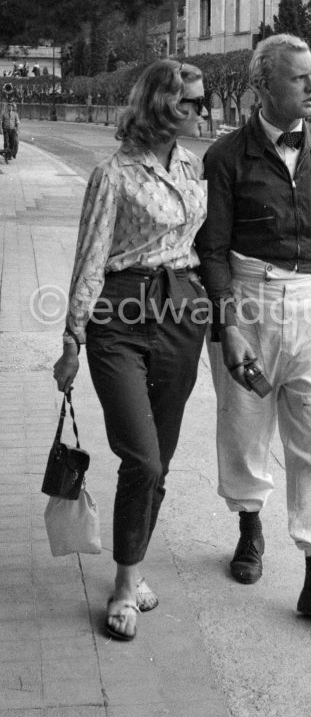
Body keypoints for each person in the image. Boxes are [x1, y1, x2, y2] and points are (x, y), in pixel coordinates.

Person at [195, 34, 311, 622]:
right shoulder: (225, 158)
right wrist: (229, 324)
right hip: (246, 299)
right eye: (299, 78)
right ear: (264, 85)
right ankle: (250, 528)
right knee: (244, 427)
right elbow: (212, 250)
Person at [53, 59, 209, 641]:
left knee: (160, 460)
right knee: (140, 457)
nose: (200, 109)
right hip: (119, 316)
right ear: (163, 104)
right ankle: (123, 584)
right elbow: (90, 257)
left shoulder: (193, 167)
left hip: (180, 314)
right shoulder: (113, 174)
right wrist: (71, 341)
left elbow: (198, 243)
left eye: (202, 100)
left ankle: (133, 565)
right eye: (191, 101)